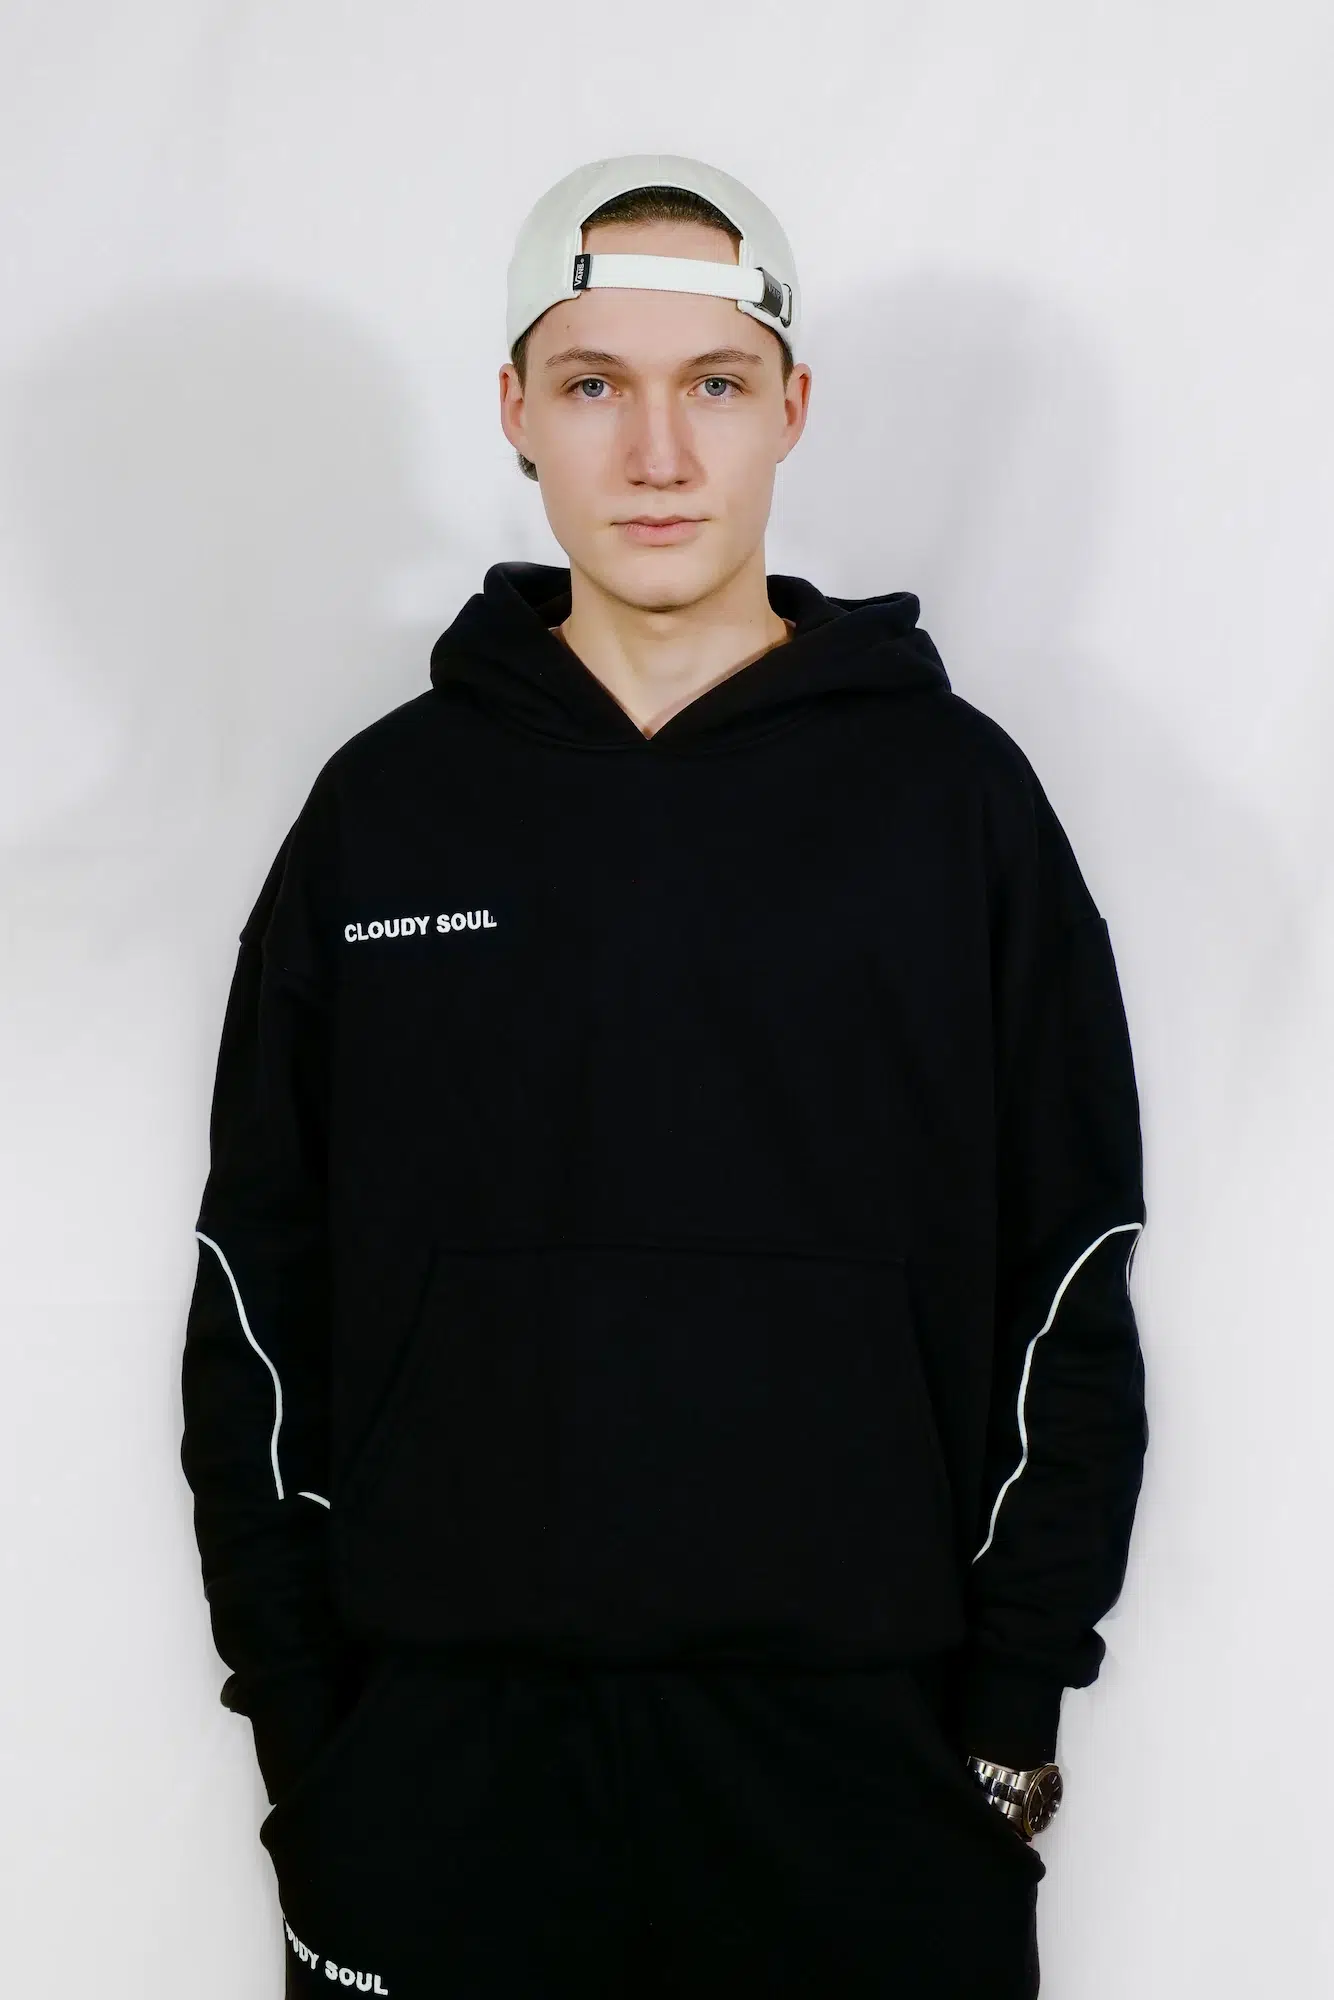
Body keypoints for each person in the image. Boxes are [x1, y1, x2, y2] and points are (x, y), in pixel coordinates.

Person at [179, 154, 1149, 1999]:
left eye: (711, 383)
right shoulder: (385, 811)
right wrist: (307, 1729)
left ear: (791, 406)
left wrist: (1004, 1716)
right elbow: (252, 1296)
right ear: (512, 411)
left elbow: (1071, 1277)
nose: (654, 453)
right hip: (442, 1762)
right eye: (591, 384)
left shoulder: (952, 806)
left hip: (857, 1764)